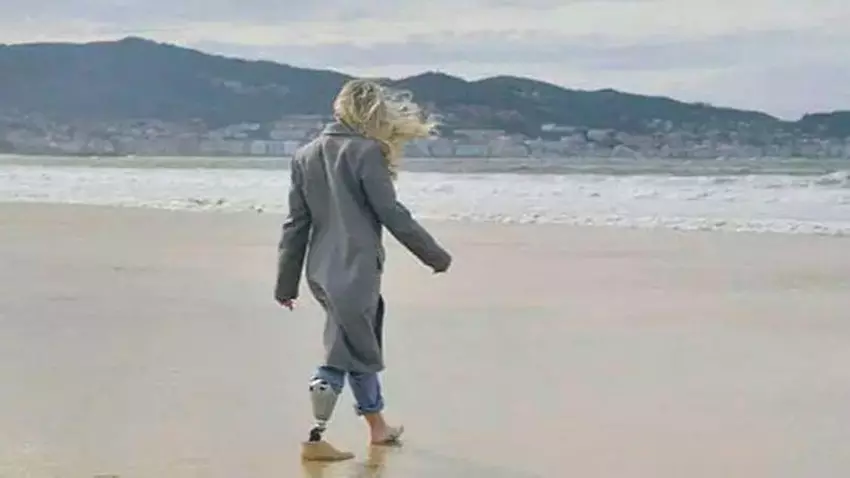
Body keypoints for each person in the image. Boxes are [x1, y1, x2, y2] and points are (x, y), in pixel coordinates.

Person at [274, 79, 452, 461]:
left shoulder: (305, 154)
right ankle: (314, 439)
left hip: (320, 270)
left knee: (358, 345)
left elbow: (296, 224)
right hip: (356, 269)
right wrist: (433, 255)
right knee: (343, 352)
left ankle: (378, 428)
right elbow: (391, 213)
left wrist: (285, 284)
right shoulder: (367, 152)